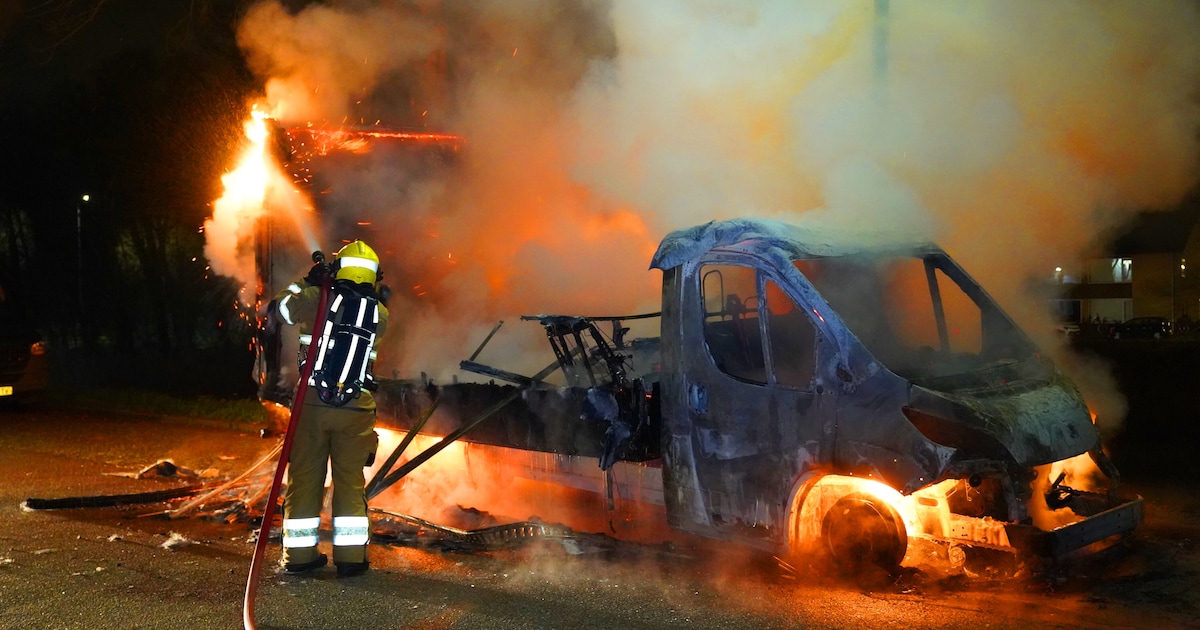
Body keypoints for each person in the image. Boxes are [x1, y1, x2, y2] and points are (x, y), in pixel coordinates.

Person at [272, 240, 390, 577]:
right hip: (356, 406)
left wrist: (306, 281)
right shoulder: (379, 313)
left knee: (306, 478)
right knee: (350, 482)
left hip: (311, 403)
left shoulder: (314, 298)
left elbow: (278, 309)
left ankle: (299, 557)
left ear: (337, 268)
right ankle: (352, 559)